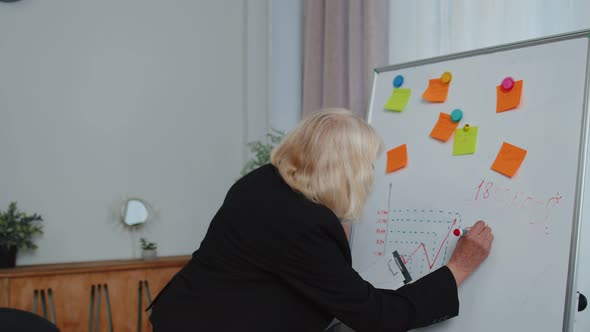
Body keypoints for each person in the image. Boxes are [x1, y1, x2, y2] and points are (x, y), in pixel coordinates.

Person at [149, 108, 494, 332]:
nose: (371, 176)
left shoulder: (264, 181)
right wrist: (458, 268)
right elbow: (376, 316)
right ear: (345, 173)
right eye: (366, 166)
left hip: (184, 313)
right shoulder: (303, 225)